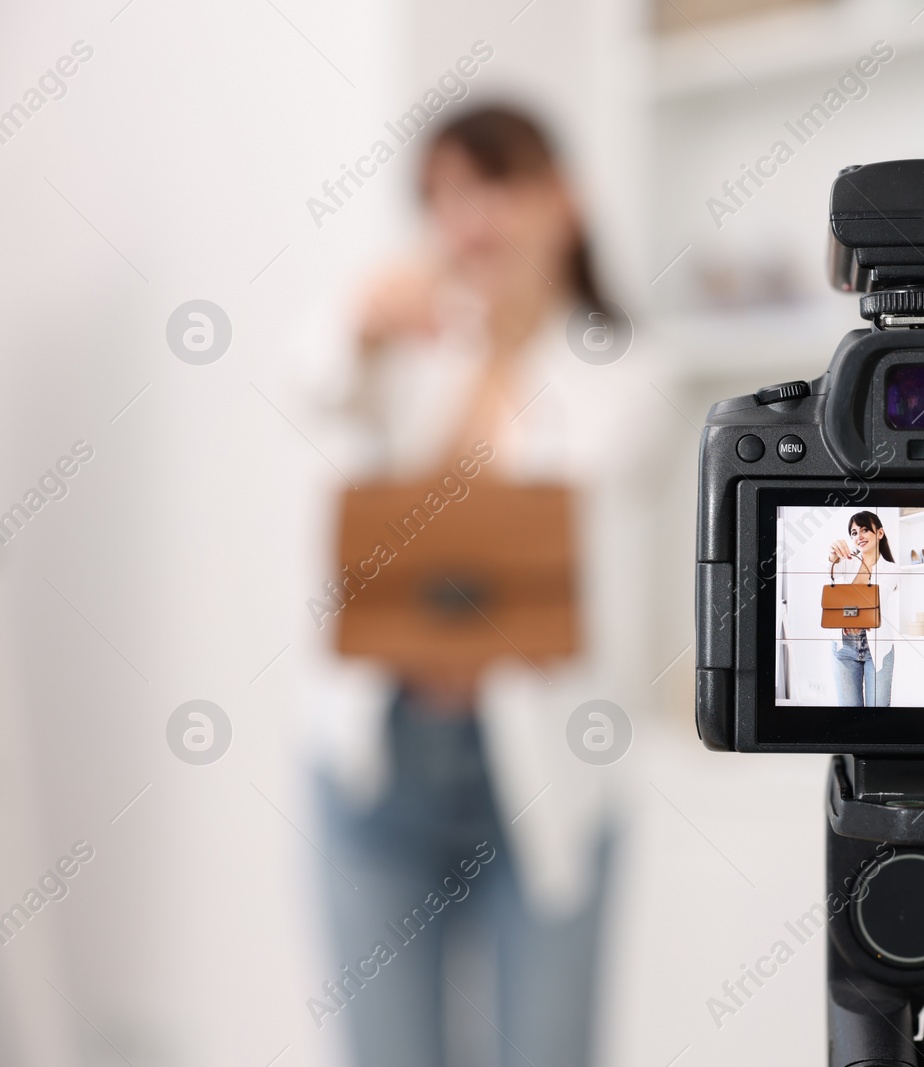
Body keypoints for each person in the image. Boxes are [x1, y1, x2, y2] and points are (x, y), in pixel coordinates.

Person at [305, 105, 662, 1067]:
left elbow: (545, 497)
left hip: (546, 773)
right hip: (382, 758)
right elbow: (324, 414)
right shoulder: (411, 351)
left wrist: (505, 338)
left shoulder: (622, 366)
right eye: (443, 197)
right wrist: (369, 331)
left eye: (492, 184)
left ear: (564, 199)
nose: (466, 219)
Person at [827, 511, 899, 706]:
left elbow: (874, 598)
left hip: (877, 649)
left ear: (880, 533)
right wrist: (833, 555)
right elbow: (829, 573)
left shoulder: (890, 569)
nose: (858, 536)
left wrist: (851, 617)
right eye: (853, 532)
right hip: (843, 647)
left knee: (877, 714)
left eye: (865, 530)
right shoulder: (847, 562)